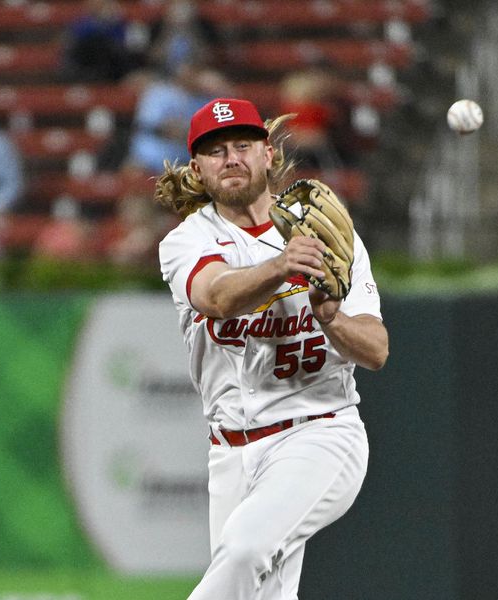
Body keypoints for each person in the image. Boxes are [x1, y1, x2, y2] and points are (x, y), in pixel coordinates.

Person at [155, 98, 388, 599]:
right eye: (215, 151)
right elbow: (217, 297)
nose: (231, 158)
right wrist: (282, 266)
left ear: (269, 155)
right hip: (231, 452)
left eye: (243, 145)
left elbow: (375, 350)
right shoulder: (187, 241)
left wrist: (332, 318)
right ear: (198, 169)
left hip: (320, 433)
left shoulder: (332, 237)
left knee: (243, 551)